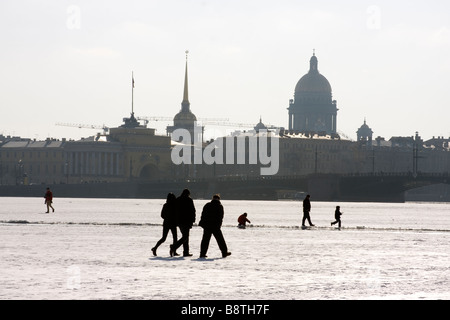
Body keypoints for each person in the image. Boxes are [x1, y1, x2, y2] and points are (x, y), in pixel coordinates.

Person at [199, 194, 231, 258]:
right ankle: (224, 252)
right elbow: (220, 217)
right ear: (219, 199)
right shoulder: (219, 206)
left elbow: (203, 215)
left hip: (207, 225)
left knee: (205, 240)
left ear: (212, 198)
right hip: (215, 226)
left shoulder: (207, 205)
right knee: (220, 240)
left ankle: (202, 253)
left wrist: (203, 223)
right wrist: (219, 225)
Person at [170, 189, 196, 257]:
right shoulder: (189, 200)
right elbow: (192, 210)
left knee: (185, 236)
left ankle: (185, 252)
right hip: (187, 221)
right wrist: (193, 220)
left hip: (180, 221)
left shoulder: (178, 199)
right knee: (185, 237)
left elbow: (175, 210)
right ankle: (174, 247)